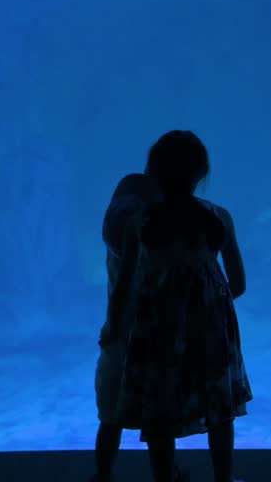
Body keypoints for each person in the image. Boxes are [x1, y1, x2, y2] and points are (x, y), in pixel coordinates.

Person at [103, 130, 251, 482]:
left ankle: (164, 479)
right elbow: (240, 284)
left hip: (157, 329)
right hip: (211, 331)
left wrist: (114, 328)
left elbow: (123, 288)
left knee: (160, 407)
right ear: (202, 172)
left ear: (152, 173)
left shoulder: (141, 222)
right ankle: (224, 479)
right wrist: (211, 304)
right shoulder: (219, 217)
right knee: (220, 407)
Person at [93, 172, 167, 482]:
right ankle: (165, 477)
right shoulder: (158, 249)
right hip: (155, 338)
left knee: (110, 418)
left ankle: (102, 475)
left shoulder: (114, 246)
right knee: (160, 422)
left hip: (118, 337)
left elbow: (121, 289)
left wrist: (111, 325)